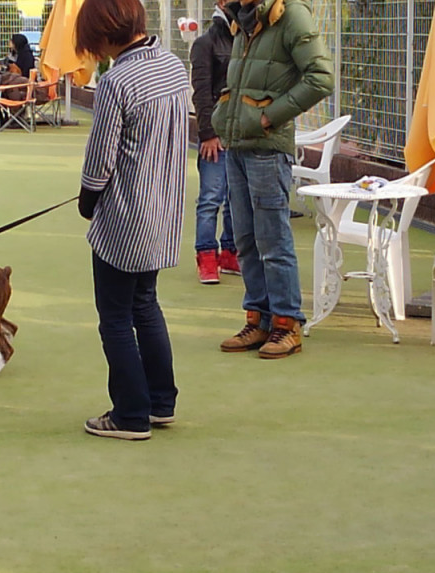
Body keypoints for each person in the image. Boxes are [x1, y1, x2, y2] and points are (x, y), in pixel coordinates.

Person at [74, 0, 187, 440]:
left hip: (124, 217)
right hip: (163, 211)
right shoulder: (173, 66)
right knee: (146, 305)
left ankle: (130, 414)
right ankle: (160, 402)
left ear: (103, 30)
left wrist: (87, 199)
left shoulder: (117, 81)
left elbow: (100, 159)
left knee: (116, 318)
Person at [212, 0, 334, 359]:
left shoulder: (290, 14)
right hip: (237, 144)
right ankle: (259, 319)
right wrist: (226, 114)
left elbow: (321, 77)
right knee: (246, 238)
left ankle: (286, 324)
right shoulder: (243, 20)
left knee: (272, 239)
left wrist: (268, 118)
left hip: (266, 146)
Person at [190, 1, 239, 284]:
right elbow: (201, 91)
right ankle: (206, 256)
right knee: (211, 197)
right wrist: (208, 133)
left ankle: (230, 253)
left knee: (235, 198)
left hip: (240, 132)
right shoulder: (205, 43)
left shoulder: (247, 38)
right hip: (216, 133)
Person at [0, 61, 50, 129]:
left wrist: (10, 113)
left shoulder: (11, 86)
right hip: (40, 93)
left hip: (39, 96)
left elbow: (15, 102)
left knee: (17, 99)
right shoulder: (10, 78)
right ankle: (19, 120)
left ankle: (17, 121)